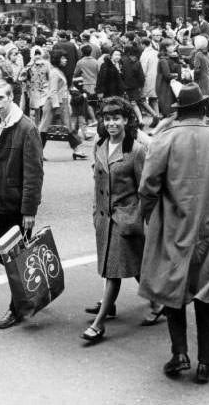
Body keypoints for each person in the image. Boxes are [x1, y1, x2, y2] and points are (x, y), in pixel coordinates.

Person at [138, 83, 209, 384]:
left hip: (173, 226)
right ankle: (206, 363)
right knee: (208, 295)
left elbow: (148, 187)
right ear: (204, 108)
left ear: (179, 112)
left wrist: (151, 217)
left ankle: (180, 353)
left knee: (172, 292)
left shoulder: (164, 140)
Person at [82, 97, 152, 343]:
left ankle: (99, 324)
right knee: (132, 266)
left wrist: (138, 219)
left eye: (116, 118)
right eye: (107, 118)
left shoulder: (136, 150)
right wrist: (95, 212)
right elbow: (96, 181)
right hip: (103, 219)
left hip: (125, 219)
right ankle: (158, 302)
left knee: (113, 272)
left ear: (126, 120)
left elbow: (145, 189)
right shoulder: (100, 144)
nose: (111, 123)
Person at [0, 79, 44, 329]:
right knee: (2, 255)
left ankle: (16, 306)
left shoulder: (26, 128)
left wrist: (29, 210)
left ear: (11, 98)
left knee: (16, 257)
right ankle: (31, 293)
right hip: (0, 202)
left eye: (0, 99)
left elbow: (34, 173)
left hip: (18, 205)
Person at [39, 51, 88, 160]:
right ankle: (38, 152)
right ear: (57, 60)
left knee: (67, 127)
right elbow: (53, 91)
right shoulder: (55, 73)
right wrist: (56, 107)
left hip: (60, 102)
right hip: (56, 103)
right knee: (45, 128)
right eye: (63, 58)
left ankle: (77, 150)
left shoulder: (57, 71)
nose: (65, 60)